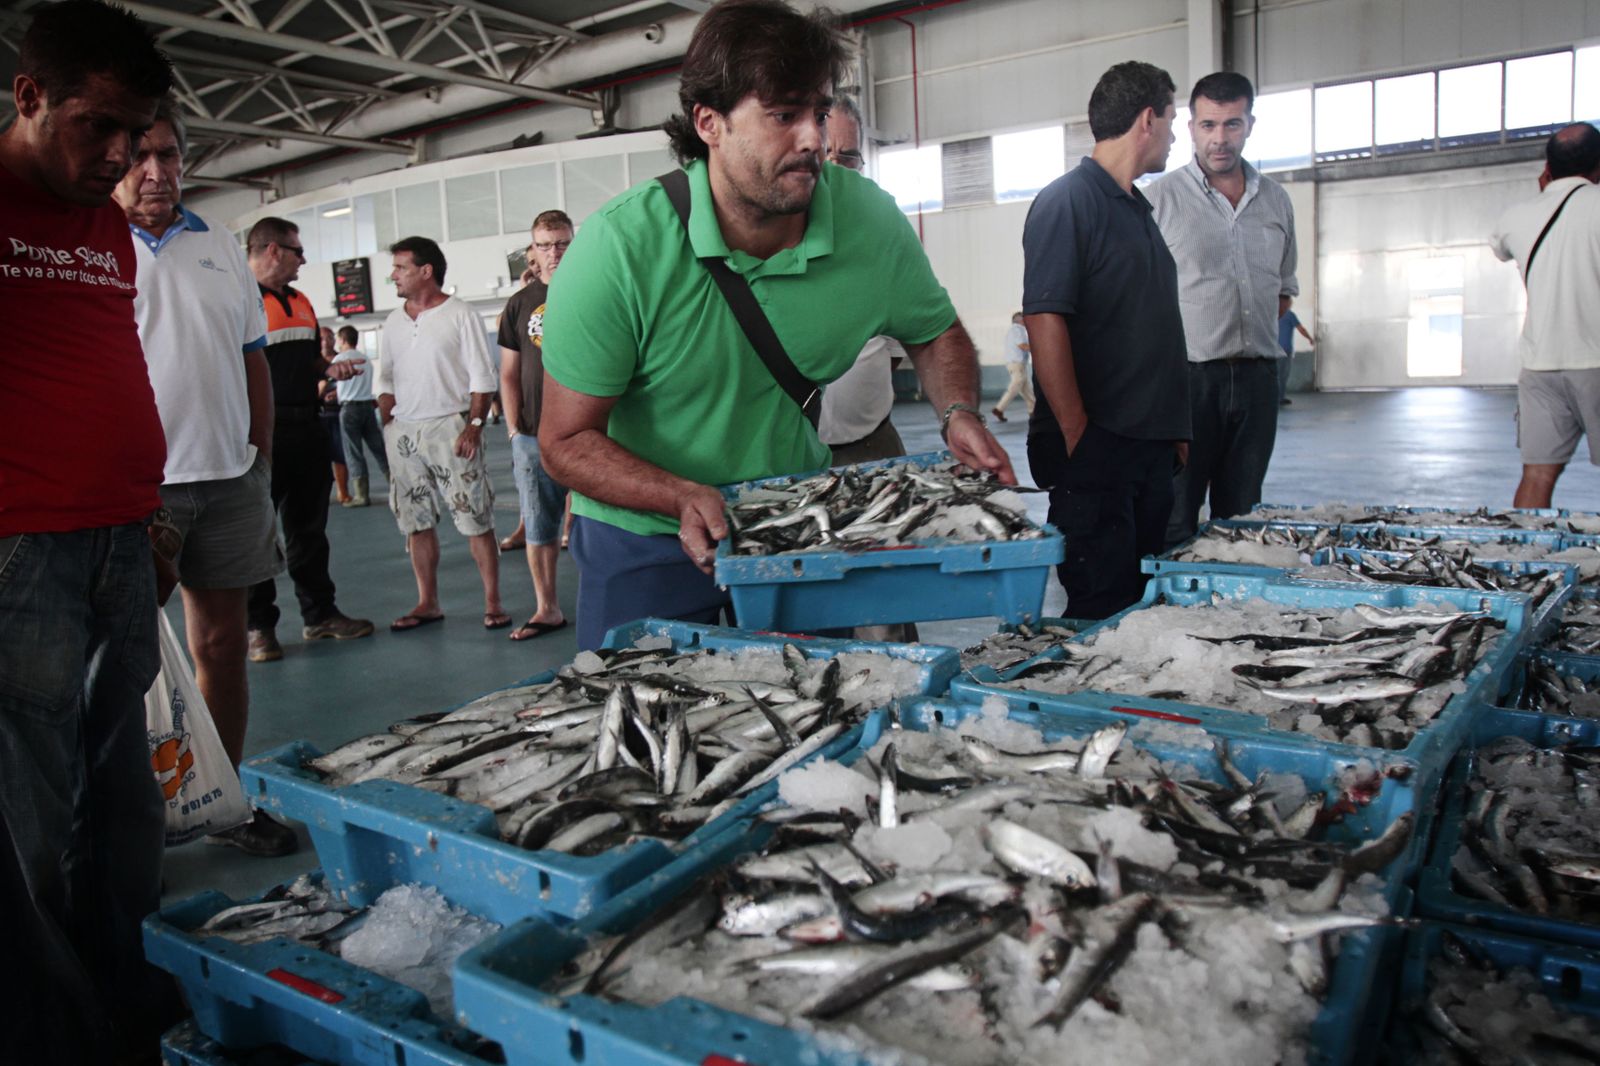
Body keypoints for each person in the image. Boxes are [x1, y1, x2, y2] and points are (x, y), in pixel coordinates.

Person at [538, 0, 1013, 650]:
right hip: (643, 536)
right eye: (784, 115)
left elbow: (934, 331)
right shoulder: (618, 250)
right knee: (641, 702)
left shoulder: (867, 222)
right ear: (709, 123)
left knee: (814, 699)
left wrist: (958, 410)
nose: (815, 138)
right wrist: (677, 495)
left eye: (819, 111)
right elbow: (564, 439)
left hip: (794, 522)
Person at [0, 3, 184, 1059]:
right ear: (30, 95)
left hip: (121, 534)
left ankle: (125, 987)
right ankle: (51, 1028)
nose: (120, 156)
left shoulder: (104, 224)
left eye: (137, 133)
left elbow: (109, 366)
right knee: (23, 810)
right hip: (20, 546)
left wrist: (146, 508)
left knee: (124, 792)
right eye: (99, 127)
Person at [114, 101, 300, 857]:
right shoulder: (91, 244)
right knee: (123, 660)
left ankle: (222, 805)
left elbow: (253, 357)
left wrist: (259, 453)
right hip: (138, 489)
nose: (155, 171)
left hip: (229, 479)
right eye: (138, 156)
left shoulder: (220, 243)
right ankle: (129, 831)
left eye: (167, 155)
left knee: (222, 645)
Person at [1022, 60, 1191, 620]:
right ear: (1148, 120)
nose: (1174, 136)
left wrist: (1172, 430)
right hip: (1100, 448)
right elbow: (1045, 319)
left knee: (1141, 609)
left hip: (1146, 447)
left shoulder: (1136, 208)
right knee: (1101, 610)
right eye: (1172, 121)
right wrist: (1078, 435)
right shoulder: (1069, 201)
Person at [1148, 71, 1299, 547]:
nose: (1220, 138)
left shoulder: (1276, 201)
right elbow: (1141, 301)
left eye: (1232, 124)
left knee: (1242, 520)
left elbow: (1283, 291)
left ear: (1250, 124)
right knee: (1175, 515)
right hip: (1189, 383)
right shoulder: (1159, 201)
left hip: (1259, 381)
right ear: (1191, 127)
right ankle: (1170, 596)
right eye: (1208, 125)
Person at [244, 217, 374, 662]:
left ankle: (319, 615)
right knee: (257, 533)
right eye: (297, 251)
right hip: (259, 434)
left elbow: (309, 361)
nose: (303, 260)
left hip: (307, 427)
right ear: (273, 250)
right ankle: (259, 627)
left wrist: (329, 368)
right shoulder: (238, 298)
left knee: (309, 530)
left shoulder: (300, 301)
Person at [377, 236, 510, 632]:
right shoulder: (393, 321)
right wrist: (388, 418)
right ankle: (427, 602)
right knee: (414, 521)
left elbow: (482, 376)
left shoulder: (460, 313)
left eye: (400, 268)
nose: (393, 275)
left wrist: (474, 425)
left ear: (426, 271)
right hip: (404, 432)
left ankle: (493, 602)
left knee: (475, 517)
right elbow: (386, 376)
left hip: (450, 427)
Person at [1490, 122, 1600, 509]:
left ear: (1547, 167)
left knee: (1536, 475)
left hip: (1541, 367)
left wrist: (1545, 197)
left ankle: (1522, 546)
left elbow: (1501, 249)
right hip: (1596, 360)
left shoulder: (1517, 216)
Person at [817, 93, 914, 468]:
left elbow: (898, 343)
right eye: (826, 152)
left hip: (872, 443)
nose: (835, 166)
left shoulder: (884, 234)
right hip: (791, 450)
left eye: (848, 157)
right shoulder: (763, 235)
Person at [497, 209, 573, 641]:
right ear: (533, 250)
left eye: (561, 243)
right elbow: (508, 373)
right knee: (539, 525)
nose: (553, 253)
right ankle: (547, 608)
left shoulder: (595, 288)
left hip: (588, 433)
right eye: (544, 245)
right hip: (532, 435)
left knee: (602, 525)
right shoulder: (519, 303)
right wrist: (513, 431)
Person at [334, 324, 390, 505]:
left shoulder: (339, 359)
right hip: (367, 407)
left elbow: (339, 384)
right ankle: (397, 486)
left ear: (343, 340)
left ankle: (361, 494)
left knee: (354, 451)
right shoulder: (366, 359)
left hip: (349, 409)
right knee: (379, 449)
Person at [319, 326, 352, 505]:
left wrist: (338, 393)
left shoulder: (341, 360)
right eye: (322, 338)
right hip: (318, 414)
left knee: (340, 454)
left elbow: (351, 383)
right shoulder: (313, 362)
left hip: (339, 412)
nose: (326, 342)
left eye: (329, 338)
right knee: (320, 458)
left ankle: (343, 491)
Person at [992, 311, 1035, 422]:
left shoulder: (1016, 330)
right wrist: (1038, 348)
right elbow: (1022, 345)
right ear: (1020, 320)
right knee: (1015, 385)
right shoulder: (1017, 330)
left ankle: (1033, 410)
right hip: (1016, 364)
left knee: (1026, 389)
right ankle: (999, 408)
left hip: (1018, 364)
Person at [1276, 299, 1314, 405]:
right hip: (1285, 350)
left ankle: (1276, 397)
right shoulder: (1290, 315)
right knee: (1283, 375)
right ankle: (1279, 398)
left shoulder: (1272, 314)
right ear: (1287, 303)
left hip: (1273, 349)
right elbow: (1301, 329)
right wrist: (1310, 338)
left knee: (1276, 375)